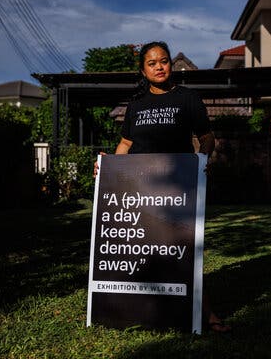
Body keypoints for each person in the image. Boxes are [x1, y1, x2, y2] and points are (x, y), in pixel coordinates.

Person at [94, 41, 230, 332]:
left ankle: (208, 316)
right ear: (143, 70)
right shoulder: (136, 105)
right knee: (139, 252)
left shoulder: (188, 99)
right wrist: (110, 170)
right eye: (152, 63)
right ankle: (135, 311)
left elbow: (206, 137)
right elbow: (126, 144)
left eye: (164, 61)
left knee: (182, 252)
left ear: (171, 65)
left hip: (175, 188)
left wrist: (204, 159)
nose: (159, 67)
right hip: (139, 190)